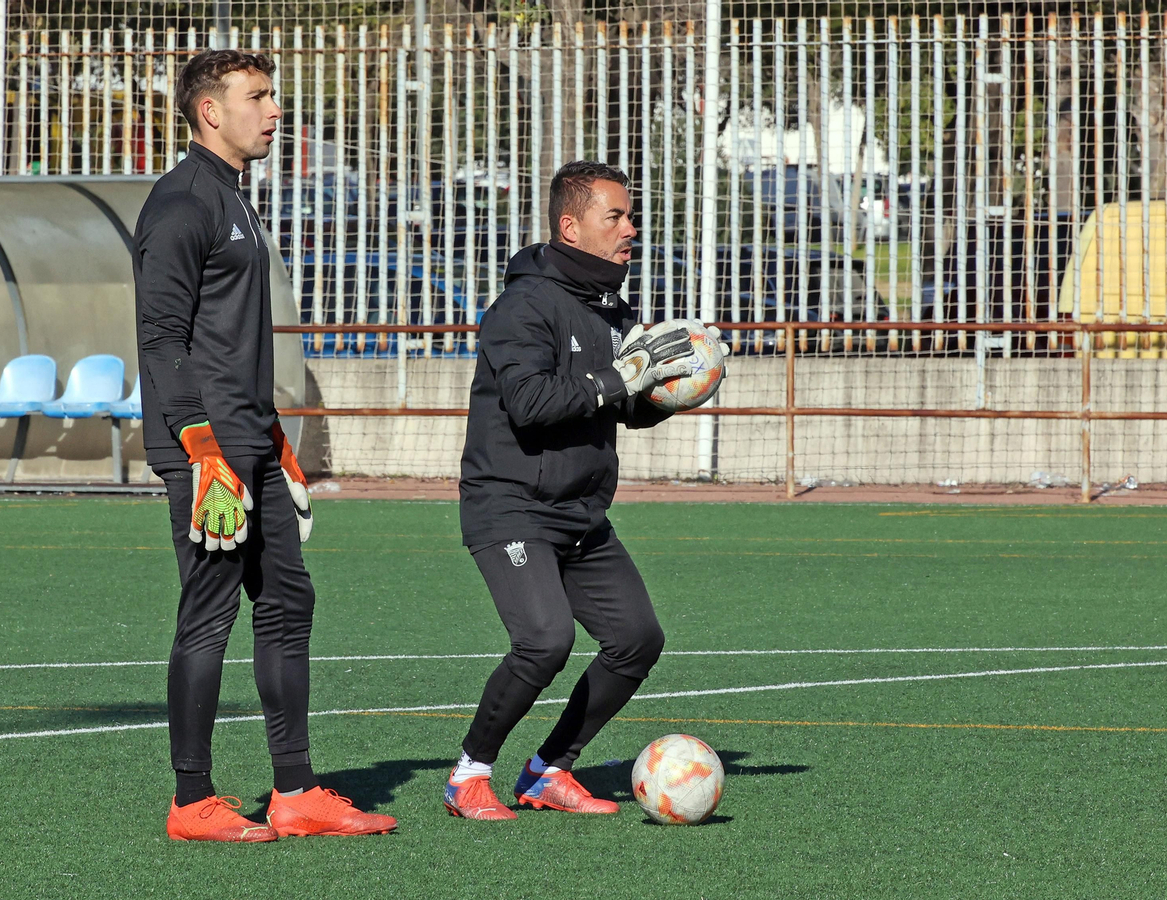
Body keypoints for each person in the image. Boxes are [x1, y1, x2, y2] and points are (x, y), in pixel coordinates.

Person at [134, 48, 396, 842]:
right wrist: (204, 443)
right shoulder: (182, 202)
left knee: (288, 602)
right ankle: (192, 802)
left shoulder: (233, 198)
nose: (275, 110)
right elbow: (162, 337)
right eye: (259, 96)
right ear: (210, 110)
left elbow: (226, 339)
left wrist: (271, 432)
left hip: (249, 438)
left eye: (274, 95)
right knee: (209, 613)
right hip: (205, 449)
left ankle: (295, 790)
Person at [444, 160, 725, 819]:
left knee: (637, 639)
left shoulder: (608, 308)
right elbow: (531, 401)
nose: (631, 228)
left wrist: (680, 387)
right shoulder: (522, 306)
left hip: (579, 512)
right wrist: (619, 379)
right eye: (616, 217)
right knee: (544, 641)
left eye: (631, 216)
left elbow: (625, 406)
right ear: (571, 227)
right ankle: (469, 775)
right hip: (511, 504)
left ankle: (547, 771)